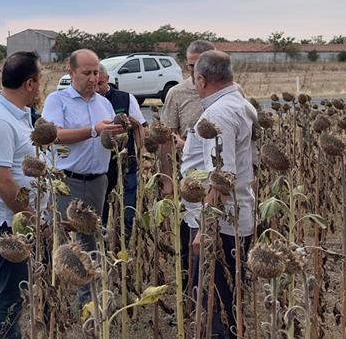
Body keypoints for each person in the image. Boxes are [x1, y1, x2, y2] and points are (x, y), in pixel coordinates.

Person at [182, 50, 257, 339]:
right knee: (226, 295)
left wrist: (205, 228)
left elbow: (222, 176)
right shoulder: (240, 104)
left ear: (200, 79)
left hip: (221, 224)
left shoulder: (219, 113)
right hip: (234, 217)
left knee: (216, 302)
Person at [41, 49, 123, 300]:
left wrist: (118, 135)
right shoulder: (57, 101)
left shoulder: (104, 103)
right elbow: (53, 135)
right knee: (61, 238)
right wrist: (93, 131)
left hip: (98, 180)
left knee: (92, 239)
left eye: (96, 72)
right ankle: (52, 296)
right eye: (86, 72)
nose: (92, 78)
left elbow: (108, 138)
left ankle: (88, 300)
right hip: (68, 181)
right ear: (71, 72)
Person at [0, 51, 47, 339]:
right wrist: (32, 219)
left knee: (23, 292)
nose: (42, 85)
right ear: (29, 83)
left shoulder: (17, 114)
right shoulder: (0, 120)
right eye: (40, 79)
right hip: (13, 225)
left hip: (23, 220)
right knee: (13, 296)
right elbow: (2, 181)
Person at [158, 40, 215, 288]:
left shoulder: (228, 94)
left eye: (201, 65)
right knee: (188, 244)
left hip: (217, 181)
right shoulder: (177, 94)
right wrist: (167, 181)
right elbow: (165, 139)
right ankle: (190, 297)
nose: (196, 72)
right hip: (188, 182)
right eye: (192, 65)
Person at [95, 63, 146, 232]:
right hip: (101, 168)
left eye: (100, 83)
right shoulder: (88, 102)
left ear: (108, 80)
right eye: (94, 83)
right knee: (99, 213)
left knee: (127, 212)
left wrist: (142, 155)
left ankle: (125, 242)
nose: (97, 88)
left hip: (127, 165)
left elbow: (139, 127)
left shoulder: (125, 98)